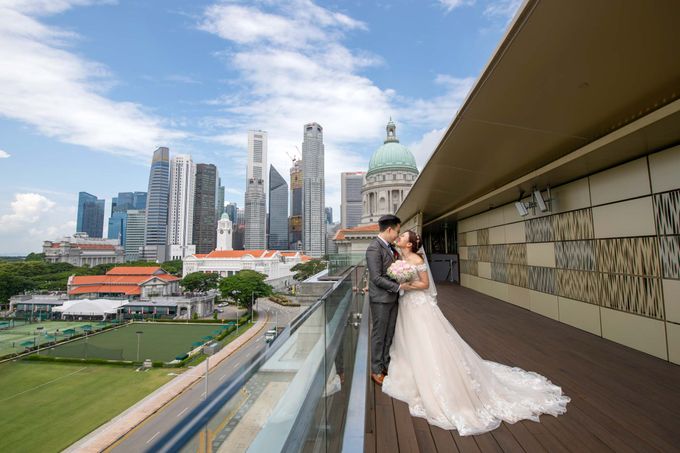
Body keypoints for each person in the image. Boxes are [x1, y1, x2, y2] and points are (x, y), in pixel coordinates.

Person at [381, 230, 570, 435]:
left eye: (402, 238)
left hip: (419, 305)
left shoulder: (417, 259)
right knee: (410, 341)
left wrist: (406, 284)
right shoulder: (401, 257)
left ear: (409, 245)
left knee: (427, 340)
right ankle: (410, 370)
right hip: (408, 305)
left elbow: (425, 284)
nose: (398, 239)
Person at [365, 214, 403, 386]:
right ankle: (376, 370)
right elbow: (376, 278)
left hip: (392, 298)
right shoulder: (374, 248)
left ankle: (386, 364)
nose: (397, 235)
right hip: (381, 299)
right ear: (389, 229)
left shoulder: (390, 247)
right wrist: (399, 287)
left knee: (389, 334)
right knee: (379, 335)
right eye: (397, 231)